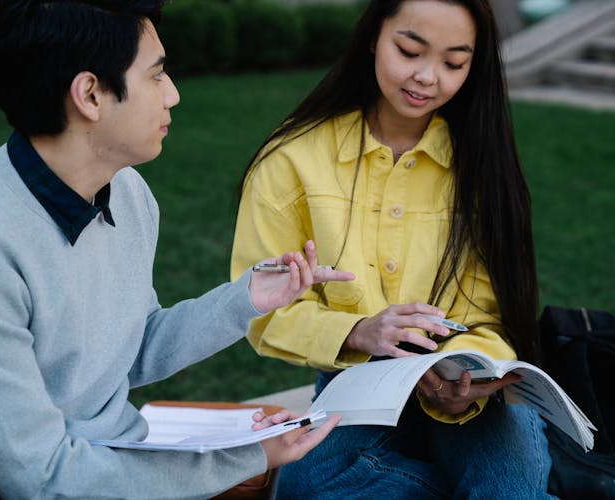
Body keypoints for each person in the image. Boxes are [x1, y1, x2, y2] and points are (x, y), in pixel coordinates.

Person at [0, 0, 353, 498]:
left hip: (118, 459)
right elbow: (42, 479)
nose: (174, 95)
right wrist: (239, 460)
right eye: (156, 75)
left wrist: (246, 299)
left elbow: (127, 350)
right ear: (90, 94)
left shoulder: (129, 193)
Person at [231, 0, 556, 498]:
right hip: (357, 377)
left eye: (453, 63)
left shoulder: (482, 166)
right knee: (309, 486)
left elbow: (491, 310)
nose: (427, 77)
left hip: (463, 380)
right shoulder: (293, 160)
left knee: (507, 486)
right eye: (409, 50)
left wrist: (464, 382)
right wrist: (358, 330)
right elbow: (258, 308)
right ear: (372, 37)